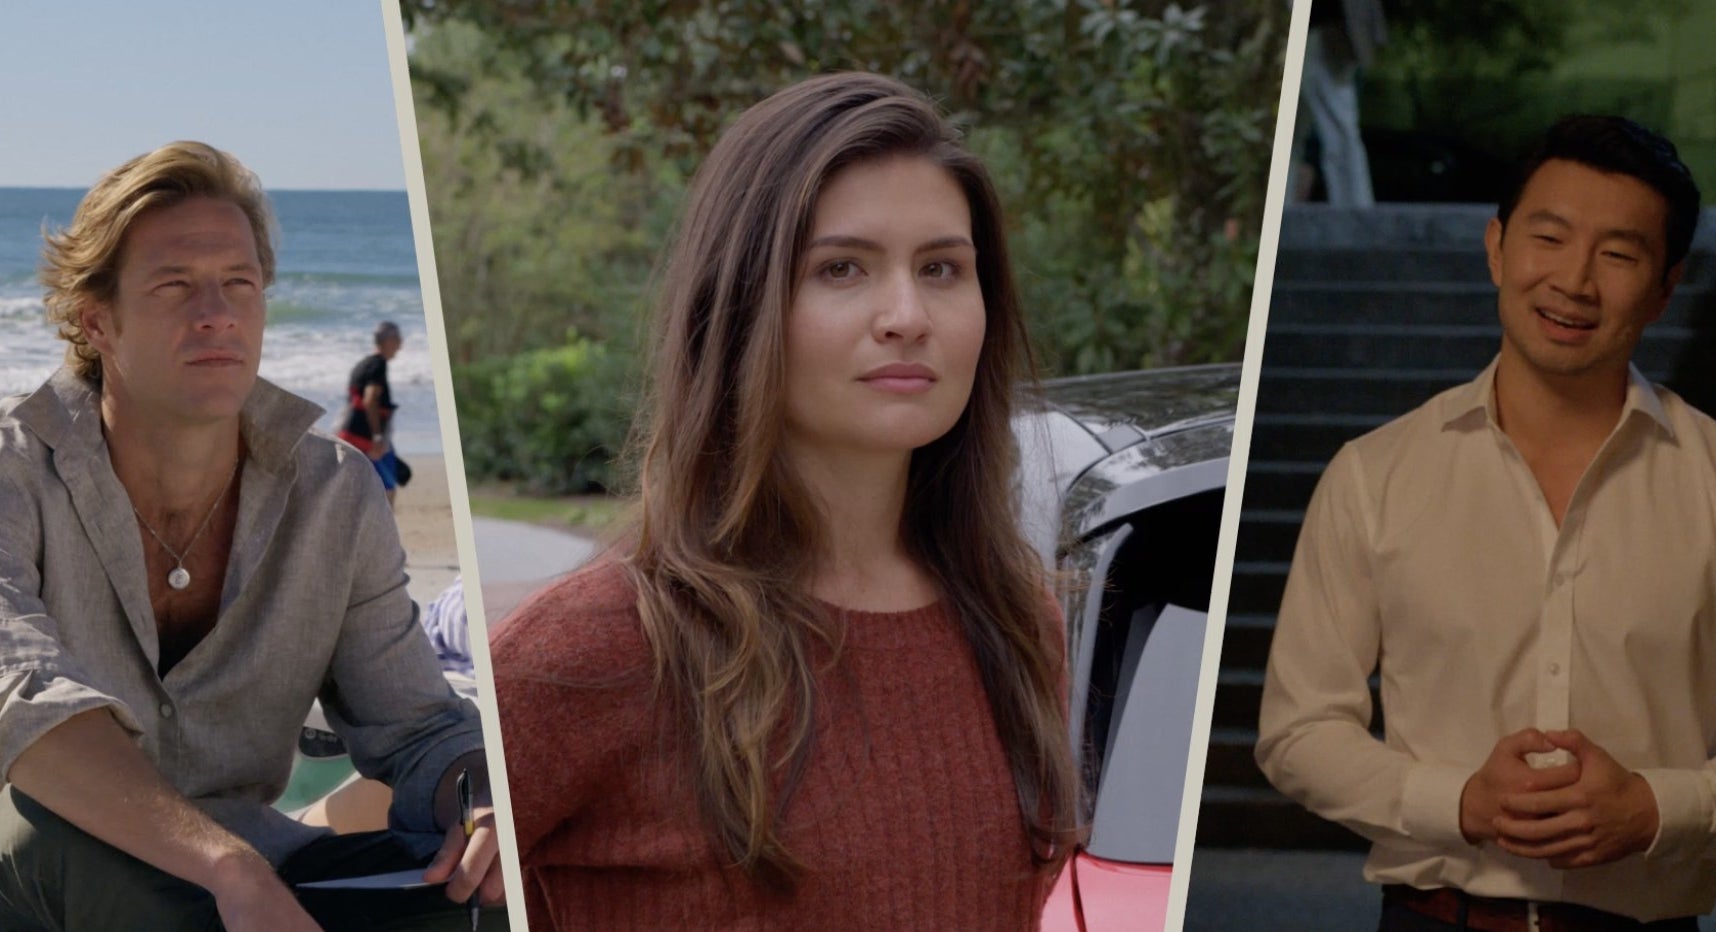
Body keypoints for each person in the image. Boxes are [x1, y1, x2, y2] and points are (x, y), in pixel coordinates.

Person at [489, 72, 1082, 929]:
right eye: (842, 267)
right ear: (738, 304)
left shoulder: (1020, 624)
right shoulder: (602, 646)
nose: (907, 314)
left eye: (942, 268)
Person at [0, 141, 505, 930]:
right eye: (175, 286)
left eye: (240, 283)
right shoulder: (14, 472)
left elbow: (415, 729)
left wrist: (481, 806)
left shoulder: (333, 493)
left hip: (257, 871)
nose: (218, 313)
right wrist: (226, 867)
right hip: (46, 866)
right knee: (45, 829)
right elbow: (18, 706)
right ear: (99, 321)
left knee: (481, 889)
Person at [1257, 115, 1716, 929]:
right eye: (1549, 238)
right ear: (1496, 248)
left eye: (1616, 254)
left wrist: (1658, 807)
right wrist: (1458, 801)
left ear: (1664, 287)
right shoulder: (1375, 474)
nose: (1574, 281)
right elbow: (1297, 730)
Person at [1289, 0, 1385, 206]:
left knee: (1339, 131)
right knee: (1298, 132)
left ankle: (1355, 207)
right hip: (1320, 34)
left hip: (1329, 36)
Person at [338, 320, 405, 506]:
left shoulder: (362, 365)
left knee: (363, 487)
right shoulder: (378, 365)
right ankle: (384, 532)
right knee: (387, 488)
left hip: (349, 432)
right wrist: (376, 437)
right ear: (389, 340)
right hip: (365, 438)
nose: (401, 343)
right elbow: (370, 399)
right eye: (398, 338)